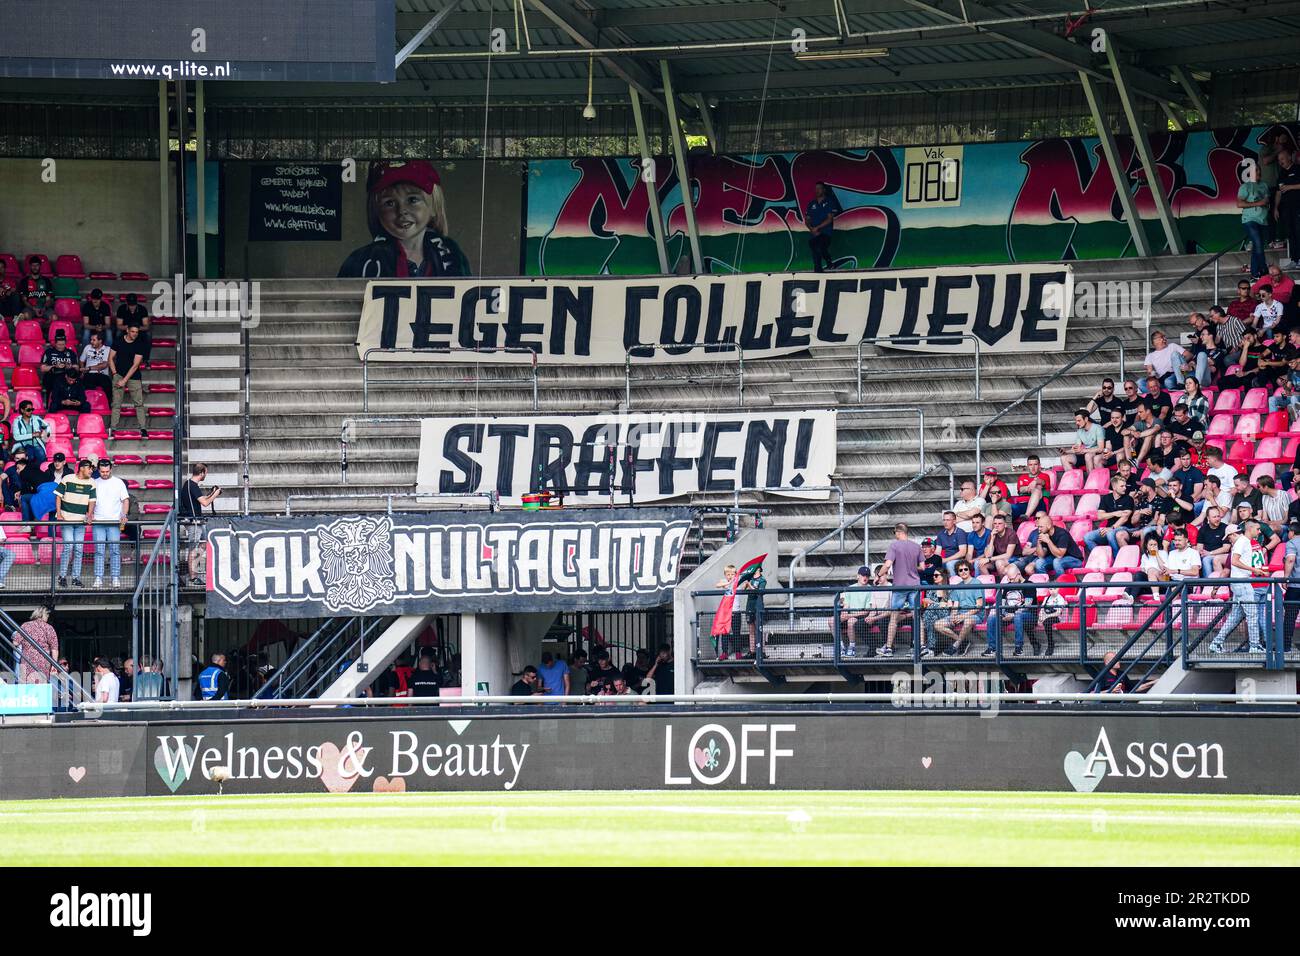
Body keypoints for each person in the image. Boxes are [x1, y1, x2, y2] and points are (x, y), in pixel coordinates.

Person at [339, 160, 470, 278]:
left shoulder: (453, 256)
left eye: (412, 200)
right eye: (389, 203)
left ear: (434, 207)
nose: (402, 211)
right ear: (376, 211)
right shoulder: (361, 261)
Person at [1209, 520, 1266, 654]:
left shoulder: (1241, 541)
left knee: (1235, 616)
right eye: (1257, 529)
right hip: (1243, 582)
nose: (1259, 531)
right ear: (1250, 528)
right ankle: (1254, 646)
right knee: (1252, 615)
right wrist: (1253, 569)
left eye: (1229, 537)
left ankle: (1216, 643)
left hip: (1238, 582)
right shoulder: (1243, 541)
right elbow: (1234, 561)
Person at [877, 522, 922, 658]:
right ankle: (920, 646)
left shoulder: (894, 546)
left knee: (894, 617)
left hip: (900, 586)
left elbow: (888, 564)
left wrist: (879, 575)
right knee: (917, 616)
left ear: (898, 532)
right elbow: (923, 567)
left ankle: (889, 648)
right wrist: (911, 568)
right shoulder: (916, 546)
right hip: (915, 585)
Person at [55, 458, 96, 588]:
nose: (91, 471)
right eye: (89, 468)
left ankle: (75, 578)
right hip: (66, 519)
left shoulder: (92, 482)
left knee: (78, 549)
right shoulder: (67, 478)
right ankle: (62, 576)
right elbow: (58, 496)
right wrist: (59, 514)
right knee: (68, 547)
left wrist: (89, 514)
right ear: (82, 468)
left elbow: (92, 500)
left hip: (80, 522)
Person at [983, 563, 1039, 657]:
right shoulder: (1008, 585)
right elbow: (1003, 603)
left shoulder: (1029, 585)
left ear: (1018, 573)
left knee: (1018, 616)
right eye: (1009, 578)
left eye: (1012, 578)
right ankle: (992, 648)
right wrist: (1003, 614)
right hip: (1009, 615)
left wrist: (1013, 615)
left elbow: (1027, 605)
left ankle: (1018, 648)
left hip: (1028, 615)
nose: (1010, 581)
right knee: (991, 618)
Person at [179, 463, 221, 587]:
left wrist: (211, 494)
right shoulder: (193, 486)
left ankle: (193, 570)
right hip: (194, 523)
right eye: (205, 473)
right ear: (202, 473)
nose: (205, 475)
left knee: (204, 543)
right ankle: (192, 576)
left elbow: (202, 499)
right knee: (194, 548)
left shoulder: (188, 484)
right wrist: (216, 494)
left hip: (197, 521)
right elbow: (205, 503)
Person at [90, 458, 130, 589]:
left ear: (111, 469)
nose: (105, 473)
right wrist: (89, 513)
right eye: (102, 471)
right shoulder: (94, 482)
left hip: (114, 522)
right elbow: (91, 501)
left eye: (107, 471)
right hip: (98, 521)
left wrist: (123, 514)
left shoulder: (118, 483)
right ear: (99, 470)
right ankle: (98, 577)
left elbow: (125, 500)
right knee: (99, 551)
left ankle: (115, 577)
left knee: (115, 551)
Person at [109, 324, 149, 439]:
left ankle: (143, 428)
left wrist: (124, 380)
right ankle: (113, 428)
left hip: (134, 376)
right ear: (127, 330)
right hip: (118, 374)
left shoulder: (140, 344)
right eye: (132, 331)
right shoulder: (118, 341)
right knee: (116, 403)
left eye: (136, 332)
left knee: (139, 403)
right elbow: (110, 358)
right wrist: (115, 374)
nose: (135, 334)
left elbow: (135, 365)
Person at [839, 564, 888, 658]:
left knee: (851, 621)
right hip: (850, 615)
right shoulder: (850, 588)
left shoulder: (870, 589)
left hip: (860, 617)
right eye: (862, 575)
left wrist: (848, 616)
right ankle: (840, 646)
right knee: (832, 620)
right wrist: (844, 613)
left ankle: (851, 648)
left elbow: (866, 611)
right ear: (858, 576)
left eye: (867, 576)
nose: (864, 577)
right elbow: (845, 604)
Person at [935, 561, 983, 657]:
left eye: (966, 569)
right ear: (958, 572)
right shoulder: (958, 586)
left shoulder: (977, 583)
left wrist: (963, 616)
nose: (963, 571)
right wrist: (953, 615)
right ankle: (963, 642)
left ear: (969, 570)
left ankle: (956, 645)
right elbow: (955, 605)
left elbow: (979, 606)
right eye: (960, 570)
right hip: (960, 614)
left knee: (968, 620)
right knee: (937, 624)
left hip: (975, 615)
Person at [1024, 510, 1085, 578]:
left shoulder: (1062, 534)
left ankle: (1060, 585)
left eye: (1041, 527)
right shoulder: (1044, 534)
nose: (1039, 529)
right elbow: (1041, 556)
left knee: (1057, 561)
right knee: (1039, 562)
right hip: (1055, 558)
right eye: (1038, 527)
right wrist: (1039, 542)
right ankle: (1045, 584)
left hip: (1075, 560)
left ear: (1049, 526)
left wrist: (1048, 541)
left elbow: (1059, 555)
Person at [1239, 164, 1272, 280]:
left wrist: (1266, 202)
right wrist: (1258, 203)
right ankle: (1263, 270)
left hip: (1262, 220)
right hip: (1250, 220)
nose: (1259, 172)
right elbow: (1239, 204)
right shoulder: (1245, 187)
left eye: (1259, 169)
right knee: (1257, 244)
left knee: (1258, 246)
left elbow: (1267, 200)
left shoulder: (1264, 185)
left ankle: (1254, 273)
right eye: (1256, 170)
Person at [804, 181, 842, 273]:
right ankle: (824, 266)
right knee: (815, 249)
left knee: (820, 247)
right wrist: (812, 229)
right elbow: (807, 219)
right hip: (814, 234)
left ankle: (820, 268)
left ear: (824, 190)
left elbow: (829, 219)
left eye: (819, 188)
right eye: (816, 188)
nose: (817, 190)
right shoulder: (811, 203)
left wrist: (817, 227)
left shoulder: (829, 202)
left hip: (825, 233)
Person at [13, 606, 58, 683]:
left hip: (27, 660)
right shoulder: (49, 628)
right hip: (43, 662)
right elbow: (54, 648)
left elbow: (15, 643)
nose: (47, 618)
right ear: (42, 615)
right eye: (47, 615)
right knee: (41, 687)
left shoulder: (25, 625)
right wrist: (54, 666)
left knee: (27, 688)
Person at [1274, 147, 1300, 270]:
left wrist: (1290, 187)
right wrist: (1275, 208)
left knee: (1298, 232)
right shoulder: (1281, 174)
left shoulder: (1297, 168)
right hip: (1286, 209)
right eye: (1279, 160)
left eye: (1282, 158)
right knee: (1291, 234)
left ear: (1289, 157)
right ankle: (1295, 260)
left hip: (1298, 207)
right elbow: (1279, 192)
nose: (1281, 162)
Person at [40, 330, 80, 407]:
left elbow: (77, 367)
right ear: (55, 343)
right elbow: (42, 368)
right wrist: (54, 366)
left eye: (63, 344)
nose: (61, 346)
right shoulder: (49, 352)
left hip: (67, 376)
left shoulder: (71, 353)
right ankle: (51, 405)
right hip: (53, 376)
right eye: (59, 345)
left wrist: (70, 366)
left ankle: (72, 405)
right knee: (51, 382)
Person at [978, 512, 1019, 577]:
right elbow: (988, 555)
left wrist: (989, 559)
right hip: (998, 558)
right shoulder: (992, 534)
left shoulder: (1011, 533)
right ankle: (991, 585)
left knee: (999, 562)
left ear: (1005, 525)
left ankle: (1002, 586)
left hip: (1014, 559)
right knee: (981, 564)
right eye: (995, 523)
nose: (997, 525)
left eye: (1000, 523)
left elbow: (1008, 555)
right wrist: (992, 539)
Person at [114, 293, 152, 363]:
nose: (132, 307)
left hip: (138, 330)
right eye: (130, 305)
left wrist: (136, 329)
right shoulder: (121, 309)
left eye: (133, 305)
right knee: (117, 333)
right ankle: (117, 357)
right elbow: (119, 325)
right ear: (127, 303)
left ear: (136, 303)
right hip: (126, 330)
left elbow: (146, 326)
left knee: (148, 335)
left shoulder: (142, 309)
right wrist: (129, 328)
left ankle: (146, 359)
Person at [11, 400, 51, 465]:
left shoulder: (36, 418)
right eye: (28, 410)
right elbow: (16, 437)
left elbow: (47, 426)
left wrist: (45, 434)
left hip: (36, 445)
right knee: (30, 456)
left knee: (42, 458)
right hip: (24, 445)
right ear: (22, 410)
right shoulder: (17, 421)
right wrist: (33, 435)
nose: (31, 411)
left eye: (32, 409)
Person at [934, 510, 969, 576]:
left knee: (949, 564)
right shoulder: (941, 534)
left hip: (959, 560)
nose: (945, 522)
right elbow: (938, 551)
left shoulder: (960, 533)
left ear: (954, 521)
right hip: (945, 559)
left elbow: (962, 552)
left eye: (948, 520)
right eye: (944, 520)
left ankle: (953, 585)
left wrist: (946, 560)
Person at [79, 330, 112, 398]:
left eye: (94, 340)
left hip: (102, 375)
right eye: (91, 340)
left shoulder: (107, 349)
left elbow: (104, 365)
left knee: (107, 386)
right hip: (89, 374)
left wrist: (89, 368)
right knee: (85, 386)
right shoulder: (87, 347)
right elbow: (81, 360)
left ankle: (108, 405)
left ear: (100, 341)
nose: (91, 342)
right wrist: (83, 372)